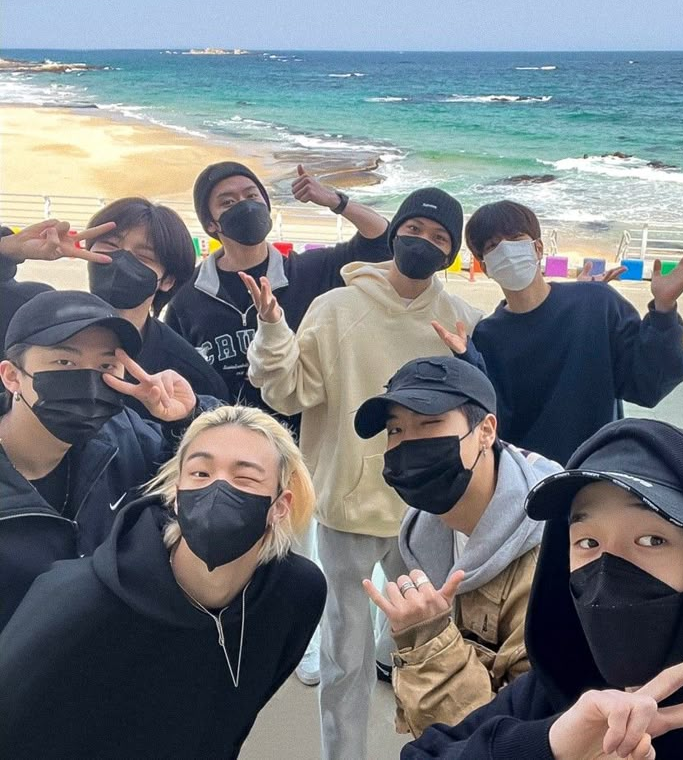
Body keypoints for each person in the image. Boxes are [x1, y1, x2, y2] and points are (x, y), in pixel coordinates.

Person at [247, 186, 482, 760]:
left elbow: (479, 409)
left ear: (451, 253)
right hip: (348, 513)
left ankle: (441, 749)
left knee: (433, 646)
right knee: (343, 655)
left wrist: (471, 360)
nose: (422, 243)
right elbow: (288, 390)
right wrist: (273, 329)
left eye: (440, 239)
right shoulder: (335, 308)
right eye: (414, 230)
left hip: (429, 513)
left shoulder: (461, 318)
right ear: (394, 231)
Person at [0, 402, 326, 760]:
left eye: (244, 478)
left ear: (280, 505)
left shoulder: (296, 594)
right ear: (175, 492)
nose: (218, 488)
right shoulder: (75, 603)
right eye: (200, 473)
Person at [399, 419, 683, 759]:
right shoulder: (557, 682)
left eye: (652, 540)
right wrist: (545, 745)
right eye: (587, 541)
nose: (606, 577)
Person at [357, 355, 561, 737]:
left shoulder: (548, 561)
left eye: (430, 423)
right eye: (396, 430)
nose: (407, 444)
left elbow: (520, 735)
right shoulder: (423, 530)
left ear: (486, 431)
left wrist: (428, 641)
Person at [0, 288, 216, 630]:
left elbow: (197, 477)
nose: (88, 381)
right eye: (65, 362)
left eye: (105, 365)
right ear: (12, 376)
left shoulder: (123, 436)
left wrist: (185, 420)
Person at [450, 200, 683, 464]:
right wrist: (468, 361)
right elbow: (493, 425)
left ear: (538, 248)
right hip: (528, 479)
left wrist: (663, 310)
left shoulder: (596, 302)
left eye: (515, 238)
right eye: (492, 246)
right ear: (485, 266)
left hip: (597, 470)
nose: (506, 250)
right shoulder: (487, 337)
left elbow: (648, 385)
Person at [165, 159, 391, 406]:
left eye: (252, 195)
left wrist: (335, 201)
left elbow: (381, 241)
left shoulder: (308, 271)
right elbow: (178, 375)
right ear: (211, 223)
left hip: (301, 438)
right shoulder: (187, 296)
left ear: (266, 206)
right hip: (227, 436)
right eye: (228, 202)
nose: (245, 206)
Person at [84, 197, 224, 404]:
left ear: (168, 280)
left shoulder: (189, 374)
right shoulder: (46, 332)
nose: (121, 259)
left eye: (143, 257)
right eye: (110, 245)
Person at [0, 216, 115, 350]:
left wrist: (5, 247)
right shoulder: (23, 303)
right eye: (111, 245)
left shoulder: (26, 303)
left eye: (144, 254)